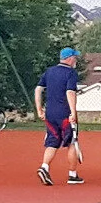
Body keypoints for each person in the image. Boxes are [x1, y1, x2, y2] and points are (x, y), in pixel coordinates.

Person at [35, 47, 83, 186]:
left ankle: (44, 167)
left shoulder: (49, 71)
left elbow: (38, 89)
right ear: (70, 58)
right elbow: (70, 92)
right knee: (72, 142)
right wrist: (73, 112)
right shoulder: (71, 73)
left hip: (50, 113)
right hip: (64, 114)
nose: (76, 60)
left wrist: (39, 109)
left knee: (52, 141)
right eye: (74, 57)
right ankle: (72, 175)